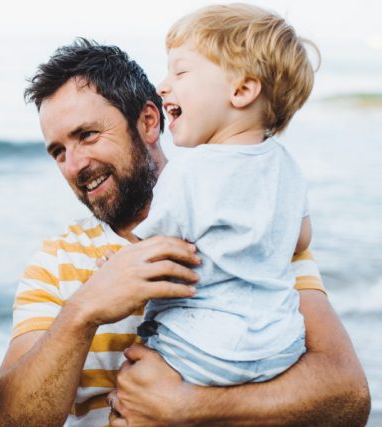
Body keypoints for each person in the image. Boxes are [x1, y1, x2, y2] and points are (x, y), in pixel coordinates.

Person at [0, 39, 369, 426]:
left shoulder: (253, 227)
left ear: (149, 122)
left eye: (87, 135)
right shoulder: (54, 262)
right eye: (58, 151)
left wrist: (192, 407)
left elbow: (349, 398)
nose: (75, 165)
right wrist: (84, 311)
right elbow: (9, 421)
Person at [131, 3, 317, 387]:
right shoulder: (287, 164)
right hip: (280, 347)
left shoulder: (189, 171)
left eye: (181, 71)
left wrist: (111, 265)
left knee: (134, 377)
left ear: (242, 89)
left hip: (198, 348)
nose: (163, 85)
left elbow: (147, 257)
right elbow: (301, 238)